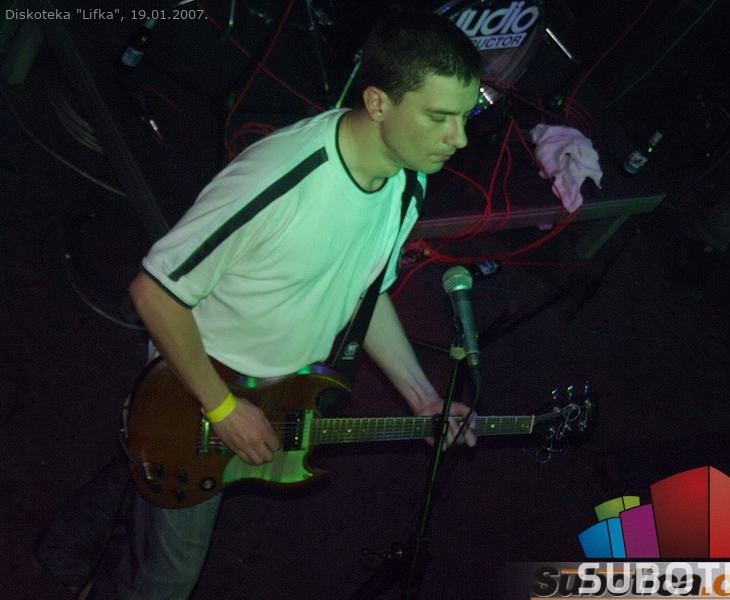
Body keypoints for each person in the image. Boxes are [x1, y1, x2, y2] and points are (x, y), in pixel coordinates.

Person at [89, 9, 483, 599]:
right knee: (171, 575)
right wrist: (223, 408)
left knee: (141, 473)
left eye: (466, 116)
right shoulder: (283, 178)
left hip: (272, 390)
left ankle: (63, 551)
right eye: (439, 117)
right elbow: (155, 291)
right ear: (378, 103)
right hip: (199, 386)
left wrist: (423, 397)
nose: (460, 138)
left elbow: (365, 291)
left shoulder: (407, 182)